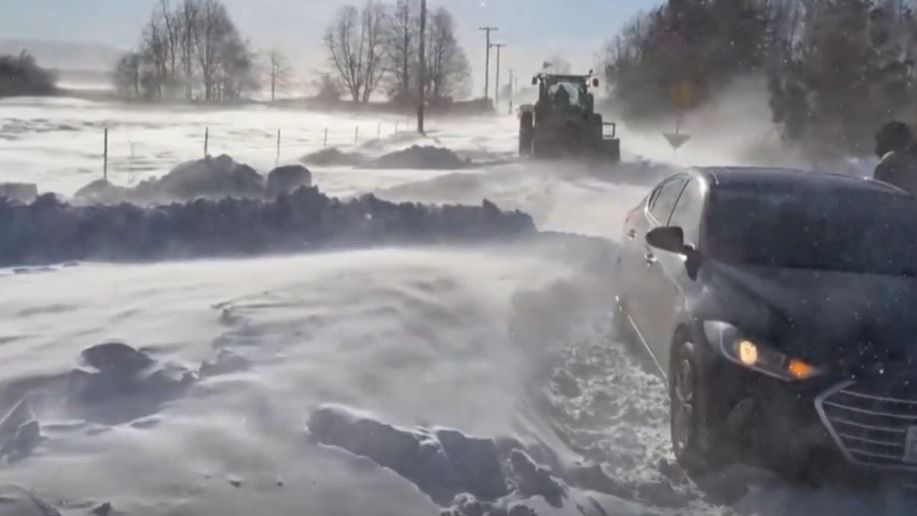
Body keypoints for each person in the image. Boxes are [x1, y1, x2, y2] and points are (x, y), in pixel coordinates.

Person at [874, 121, 917, 196]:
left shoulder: (891, 162)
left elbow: (878, 196)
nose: (877, 150)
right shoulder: (909, 161)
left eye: (881, 143)